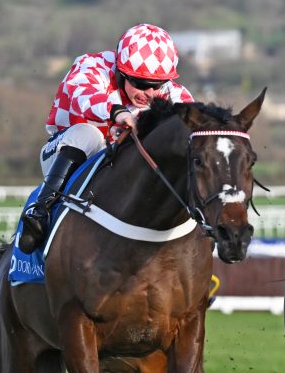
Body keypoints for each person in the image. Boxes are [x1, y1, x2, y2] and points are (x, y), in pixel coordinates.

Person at [17, 23, 195, 254]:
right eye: (141, 84)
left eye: (157, 85)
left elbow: (194, 129)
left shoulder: (175, 94)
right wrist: (117, 112)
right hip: (67, 151)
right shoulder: (91, 66)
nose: (149, 94)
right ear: (121, 72)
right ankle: (39, 213)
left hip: (119, 167)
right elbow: (83, 95)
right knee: (88, 135)